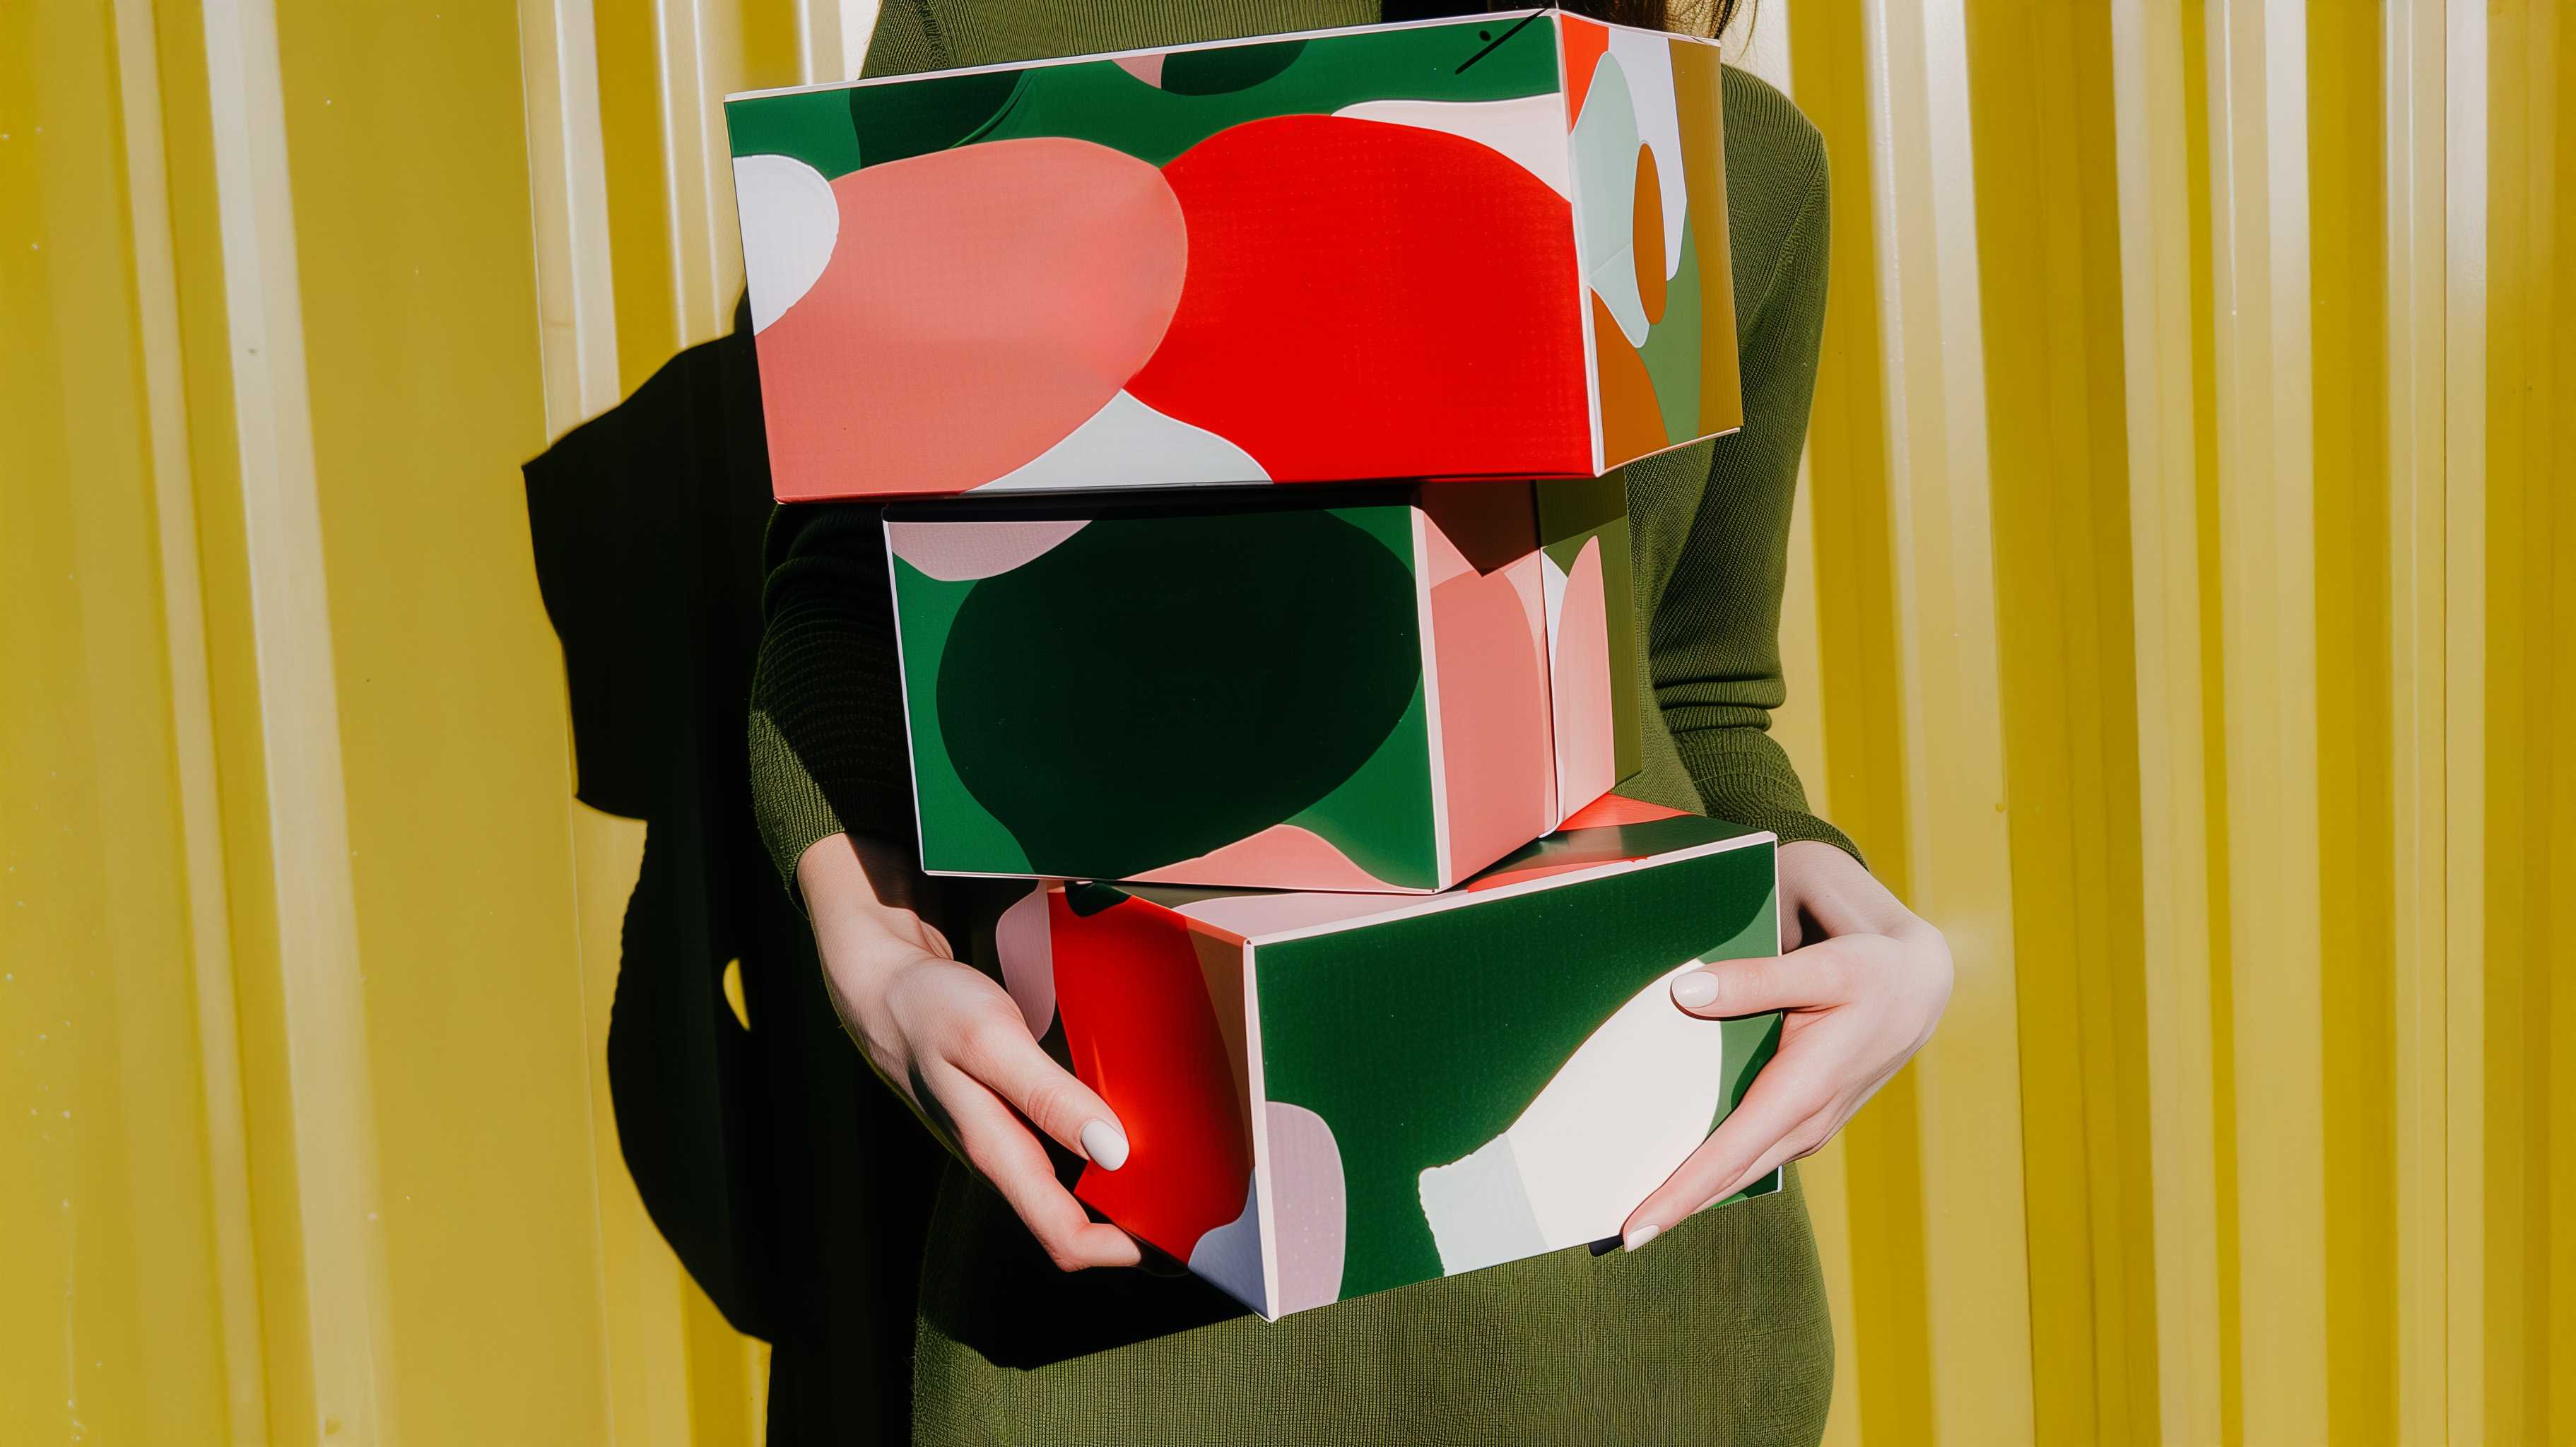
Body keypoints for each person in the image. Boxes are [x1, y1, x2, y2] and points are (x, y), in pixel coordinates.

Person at [748, 3, 1954, 1441]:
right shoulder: (1011, 33)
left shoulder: (1730, 147)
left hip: (1630, 1297)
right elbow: (847, 597)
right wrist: (871, 944)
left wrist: (1860, 927)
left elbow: (1695, 687)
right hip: (1136, 1291)